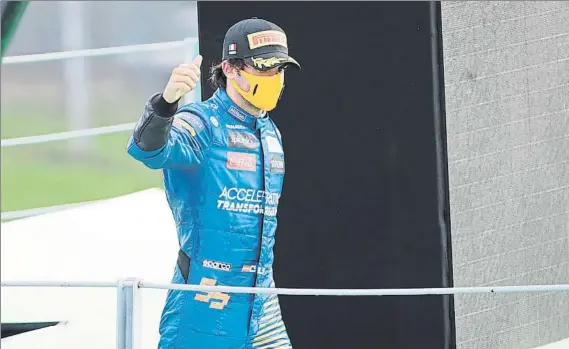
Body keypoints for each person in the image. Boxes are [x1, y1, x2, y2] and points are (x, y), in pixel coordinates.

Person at [126, 17, 300, 349]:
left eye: (280, 69)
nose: (274, 78)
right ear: (230, 69)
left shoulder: (271, 133)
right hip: (205, 302)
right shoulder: (201, 123)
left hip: (261, 302)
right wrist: (167, 102)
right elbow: (147, 149)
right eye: (263, 68)